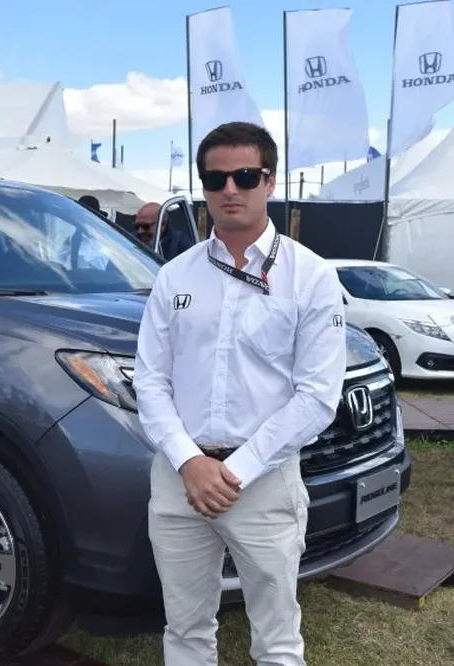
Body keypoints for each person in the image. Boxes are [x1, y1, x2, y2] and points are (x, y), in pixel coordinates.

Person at [132, 121, 346, 665]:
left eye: (245, 176)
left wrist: (235, 470)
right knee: (184, 630)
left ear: (270, 182)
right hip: (180, 481)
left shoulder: (311, 277)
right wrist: (189, 463)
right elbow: (151, 380)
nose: (230, 189)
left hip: (263, 483)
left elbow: (317, 396)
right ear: (203, 186)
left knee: (276, 639)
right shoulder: (174, 277)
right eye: (215, 178)